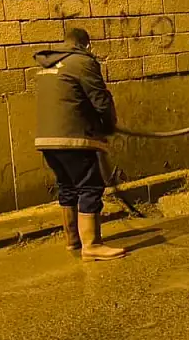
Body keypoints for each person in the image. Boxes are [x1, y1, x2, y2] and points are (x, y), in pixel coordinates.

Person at [34, 28, 126, 261]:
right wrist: (109, 125)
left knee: (67, 186)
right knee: (90, 186)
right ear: (86, 44)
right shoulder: (83, 62)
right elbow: (100, 100)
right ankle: (92, 245)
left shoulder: (46, 65)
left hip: (46, 140)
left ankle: (73, 241)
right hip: (73, 138)